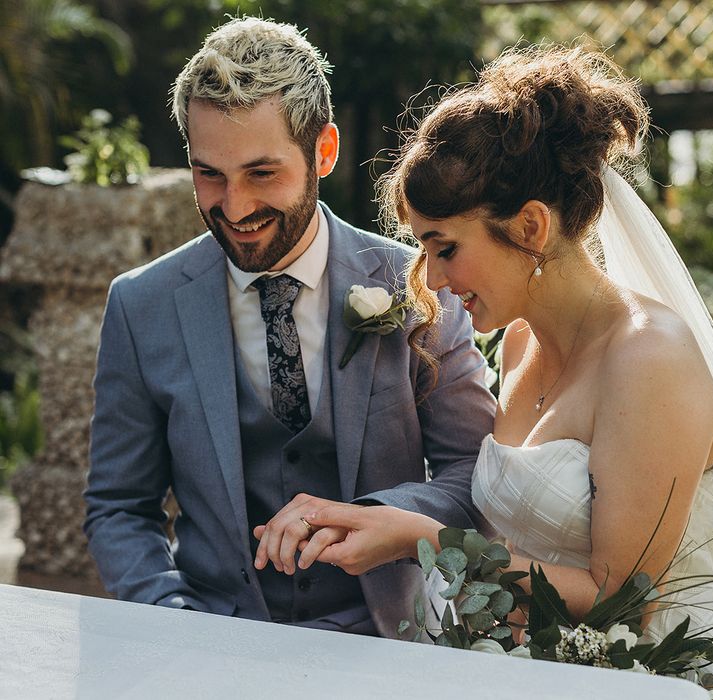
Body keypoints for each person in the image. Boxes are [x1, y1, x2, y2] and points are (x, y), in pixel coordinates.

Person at [272, 46, 713, 689]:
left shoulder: (650, 360)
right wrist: (376, 518)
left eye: (446, 248)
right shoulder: (518, 344)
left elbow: (619, 599)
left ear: (531, 226)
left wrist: (419, 539)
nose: (434, 280)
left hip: (667, 674)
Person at [83, 16, 495, 638]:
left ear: (323, 151)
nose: (236, 206)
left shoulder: (418, 284)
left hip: (390, 641)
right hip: (212, 641)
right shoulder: (142, 306)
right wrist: (171, 619)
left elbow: (474, 472)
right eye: (209, 174)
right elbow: (119, 508)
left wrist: (381, 519)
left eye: (262, 173)